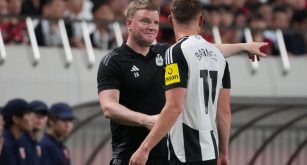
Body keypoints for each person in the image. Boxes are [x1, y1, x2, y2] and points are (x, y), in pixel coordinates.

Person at [98, 0, 267, 165]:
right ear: (129, 23)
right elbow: (108, 107)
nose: (152, 27)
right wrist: (145, 119)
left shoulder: (166, 52)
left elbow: (204, 50)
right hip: (131, 156)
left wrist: (244, 46)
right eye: (145, 21)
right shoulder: (113, 61)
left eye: (156, 22)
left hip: (168, 155)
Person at [0, 98, 34, 165]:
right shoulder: (5, 143)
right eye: (28, 114)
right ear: (16, 119)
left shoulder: (19, 141)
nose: (32, 119)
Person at [19, 100, 49, 165]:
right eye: (37, 114)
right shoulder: (19, 141)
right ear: (27, 116)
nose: (40, 119)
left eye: (43, 115)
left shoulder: (37, 144)